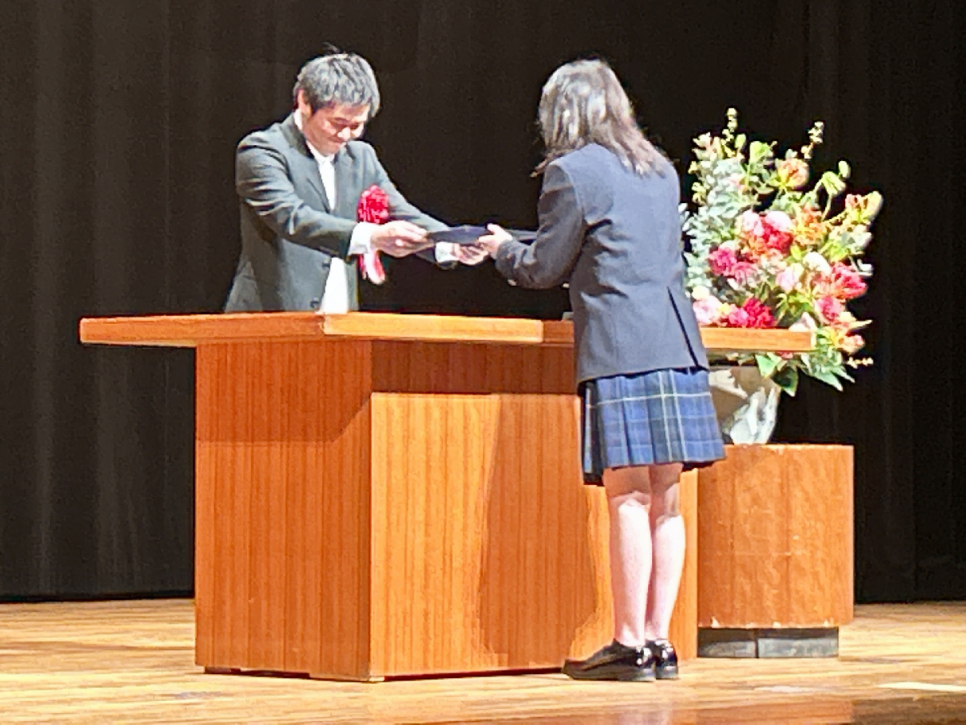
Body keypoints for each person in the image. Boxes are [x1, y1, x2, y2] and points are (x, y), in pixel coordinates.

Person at [477, 58, 725, 682]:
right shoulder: (659, 169)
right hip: (675, 344)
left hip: (621, 349)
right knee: (667, 499)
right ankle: (660, 642)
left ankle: (627, 643)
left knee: (628, 496)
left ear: (561, 114)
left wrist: (501, 249)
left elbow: (543, 268)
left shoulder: (572, 171)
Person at [225, 50, 485, 312]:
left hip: (340, 315)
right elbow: (292, 218)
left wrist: (450, 242)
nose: (345, 135)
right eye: (337, 122)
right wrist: (372, 235)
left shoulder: (360, 156)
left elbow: (398, 211)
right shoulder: (262, 150)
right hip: (270, 314)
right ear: (304, 101)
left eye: (356, 125)